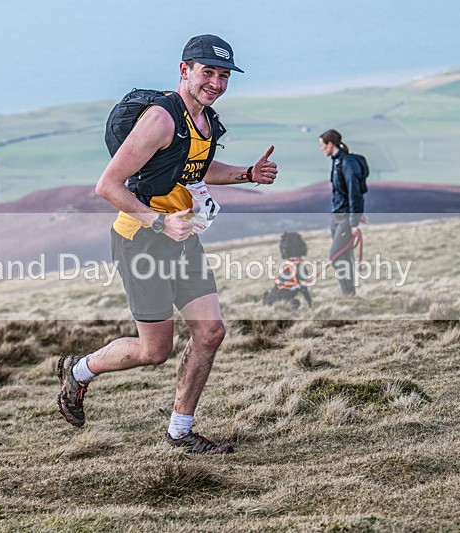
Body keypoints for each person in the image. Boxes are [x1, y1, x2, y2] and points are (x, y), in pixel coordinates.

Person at [57, 35, 278, 455]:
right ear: (185, 71)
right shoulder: (160, 120)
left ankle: (180, 432)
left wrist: (248, 173)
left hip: (183, 238)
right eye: (207, 72)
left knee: (210, 332)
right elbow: (107, 185)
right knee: (154, 350)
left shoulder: (206, 120)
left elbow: (197, 166)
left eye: (223, 75)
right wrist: (159, 222)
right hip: (141, 240)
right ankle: (79, 370)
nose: (215, 82)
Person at [318, 129, 365, 296]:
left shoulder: (347, 163)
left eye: (322, 145)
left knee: (335, 256)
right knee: (343, 257)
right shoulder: (336, 161)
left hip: (345, 217)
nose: (321, 149)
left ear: (330, 144)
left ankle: (348, 293)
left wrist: (354, 222)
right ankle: (350, 295)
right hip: (335, 216)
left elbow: (355, 193)